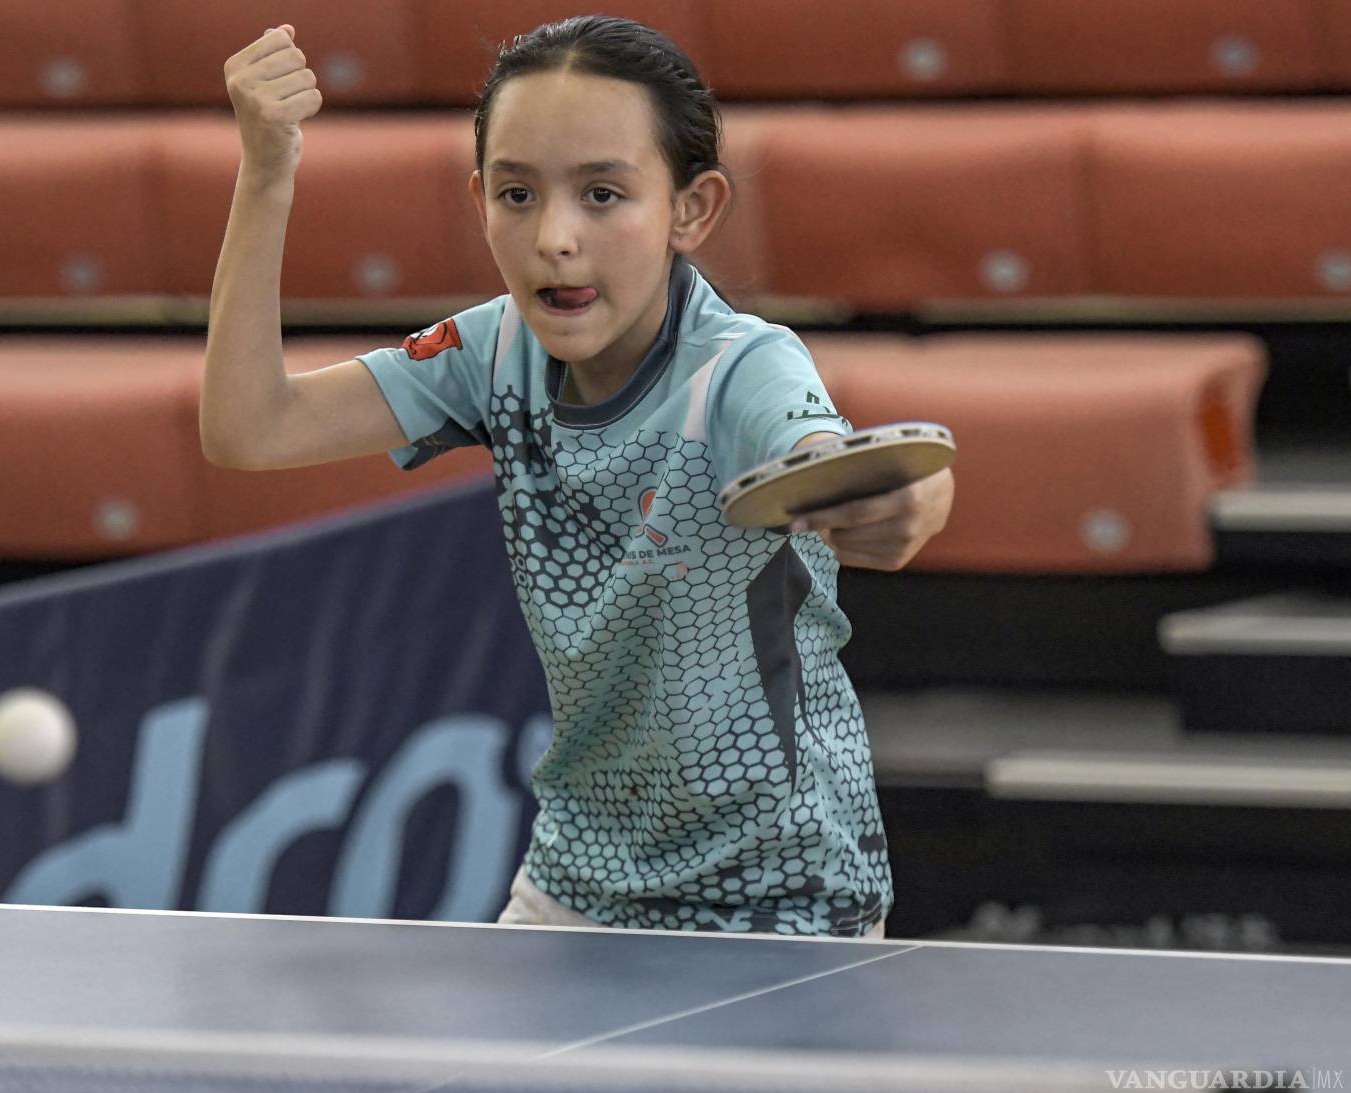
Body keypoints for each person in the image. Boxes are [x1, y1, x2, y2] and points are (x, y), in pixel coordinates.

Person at [202, 16, 954, 936]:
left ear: (692, 208)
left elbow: (827, 456)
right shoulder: (490, 352)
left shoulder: (741, 368)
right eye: (517, 195)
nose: (554, 236)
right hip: (579, 877)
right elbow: (251, 426)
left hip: (781, 890)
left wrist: (903, 495)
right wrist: (267, 170)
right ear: (479, 199)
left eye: (603, 194)